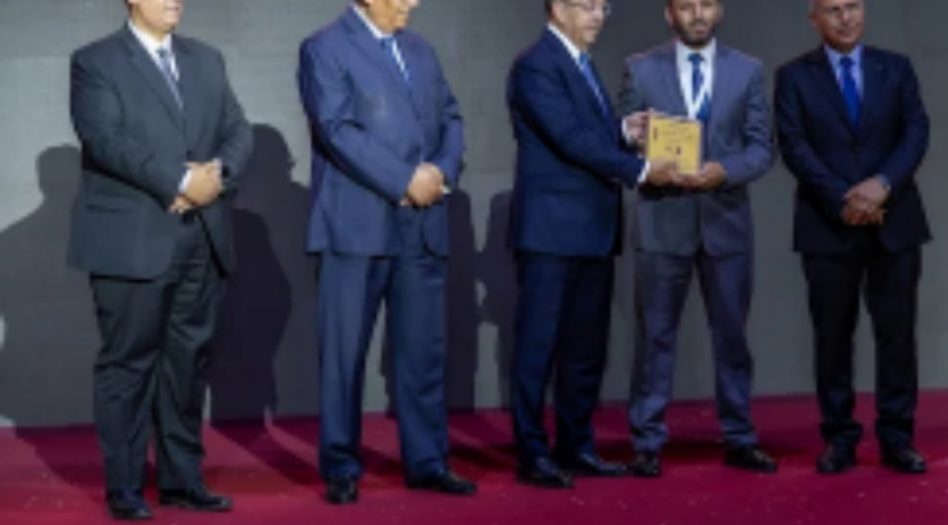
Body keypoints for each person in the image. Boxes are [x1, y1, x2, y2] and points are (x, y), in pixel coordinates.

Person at [68, 0, 252, 519]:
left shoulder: (207, 59)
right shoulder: (96, 61)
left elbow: (238, 130)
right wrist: (180, 180)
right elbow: (105, 139)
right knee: (129, 365)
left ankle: (181, 481)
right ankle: (124, 487)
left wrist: (216, 176)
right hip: (133, 240)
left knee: (187, 365)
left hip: (202, 237)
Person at [297, 0, 476, 504]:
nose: (412, 3)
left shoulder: (421, 50)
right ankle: (341, 465)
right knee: (344, 356)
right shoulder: (325, 48)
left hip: (422, 224)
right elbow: (336, 129)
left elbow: (451, 117)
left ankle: (428, 461)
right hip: (356, 227)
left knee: (423, 353)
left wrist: (440, 173)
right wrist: (403, 179)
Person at [506, 0, 678, 489]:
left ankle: (576, 446)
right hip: (551, 232)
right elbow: (569, 139)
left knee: (585, 350)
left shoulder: (582, 63)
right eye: (588, 5)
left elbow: (589, 133)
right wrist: (640, 169)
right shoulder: (536, 64)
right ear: (557, 8)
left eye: (604, 7)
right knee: (538, 349)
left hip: (593, 230)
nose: (599, 15)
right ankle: (532, 454)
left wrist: (624, 130)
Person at [620, 0, 777, 478]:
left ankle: (740, 437)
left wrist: (724, 171)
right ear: (669, 14)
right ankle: (647, 441)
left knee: (732, 339)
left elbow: (761, 147)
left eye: (706, 4)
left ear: (719, 10)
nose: (698, 14)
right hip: (662, 219)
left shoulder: (747, 70)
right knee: (655, 338)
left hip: (725, 222)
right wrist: (633, 139)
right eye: (686, 6)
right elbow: (620, 138)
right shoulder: (640, 68)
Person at [774, 0, 931, 474]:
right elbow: (794, 145)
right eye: (833, 9)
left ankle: (897, 437)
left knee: (897, 336)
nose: (846, 18)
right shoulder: (793, 76)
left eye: (853, 6)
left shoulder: (896, 68)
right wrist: (844, 197)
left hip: (894, 220)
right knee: (832, 338)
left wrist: (882, 185)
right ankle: (839, 436)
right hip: (827, 223)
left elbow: (916, 133)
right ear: (814, 18)